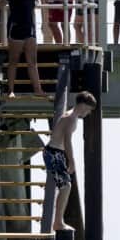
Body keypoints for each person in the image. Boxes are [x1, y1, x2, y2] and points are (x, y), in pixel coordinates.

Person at [44, 92, 97, 231]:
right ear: (84, 106)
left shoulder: (70, 114)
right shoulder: (72, 119)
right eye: (90, 110)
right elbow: (67, 141)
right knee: (65, 186)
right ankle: (57, 222)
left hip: (54, 152)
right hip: (53, 153)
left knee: (65, 186)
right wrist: (72, 162)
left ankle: (58, 221)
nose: (89, 113)